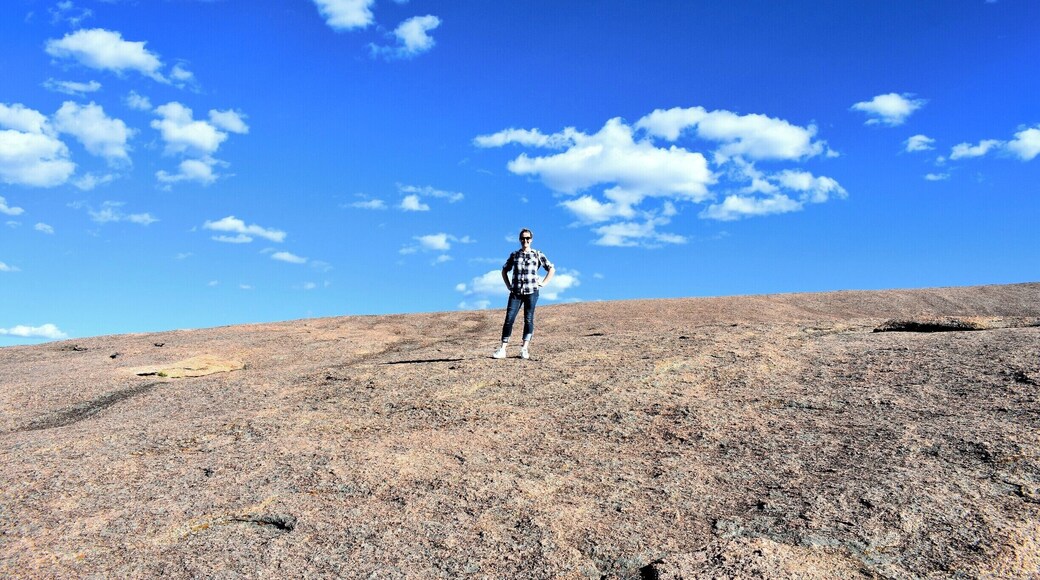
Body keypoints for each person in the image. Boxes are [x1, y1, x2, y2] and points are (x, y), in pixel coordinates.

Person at [493, 228, 555, 360]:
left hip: (532, 291)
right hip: (515, 292)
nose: (525, 241)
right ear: (519, 239)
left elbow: (551, 268)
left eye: (527, 238)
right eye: (522, 238)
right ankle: (503, 349)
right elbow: (504, 270)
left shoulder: (537, 254)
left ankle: (524, 348)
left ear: (531, 239)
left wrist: (543, 283)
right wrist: (508, 285)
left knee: (528, 319)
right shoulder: (514, 255)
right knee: (509, 319)